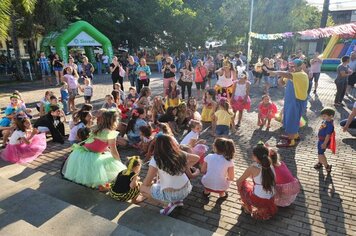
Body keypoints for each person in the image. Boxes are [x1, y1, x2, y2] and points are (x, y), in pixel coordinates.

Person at [62, 110, 126, 188]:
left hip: (81, 152)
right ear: (113, 121)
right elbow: (114, 150)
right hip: (92, 155)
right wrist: (119, 162)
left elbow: (98, 143)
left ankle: (85, 178)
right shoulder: (111, 133)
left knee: (106, 156)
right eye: (117, 119)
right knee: (112, 162)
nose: (118, 121)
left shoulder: (96, 127)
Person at [140, 134, 199, 216]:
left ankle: (168, 204)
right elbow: (197, 158)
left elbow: (146, 183)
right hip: (186, 189)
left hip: (172, 194)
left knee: (142, 188)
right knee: (158, 183)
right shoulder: (180, 153)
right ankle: (176, 201)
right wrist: (185, 166)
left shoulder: (156, 159)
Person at [270, 59, 309, 147]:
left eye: (293, 66)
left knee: (292, 119)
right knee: (288, 118)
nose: (291, 68)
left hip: (296, 101)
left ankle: (291, 141)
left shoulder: (301, 75)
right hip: (289, 101)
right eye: (290, 66)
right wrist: (281, 76)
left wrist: (276, 72)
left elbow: (287, 75)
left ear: (300, 66)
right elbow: (281, 83)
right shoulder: (292, 74)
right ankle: (295, 136)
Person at [236, 143, 277, 220]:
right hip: (271, 198)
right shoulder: (270, 164)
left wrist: (239, 189)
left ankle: (247, 208)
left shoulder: (252, 168)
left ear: (256, 157)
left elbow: (239, 181)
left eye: (253, 155)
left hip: (258, 200)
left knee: (242, 183)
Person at [314, 108, 336, 173]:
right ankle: (320, 163)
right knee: (319, 152)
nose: (323, 117)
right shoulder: (326, 121)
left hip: (323, 141)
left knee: (321, 154)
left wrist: (325, 143)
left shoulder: (330, 125)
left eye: (324, 116)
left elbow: (328, 135)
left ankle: (327, 166)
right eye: (322, 116)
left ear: (331, 116)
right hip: (320, 140)